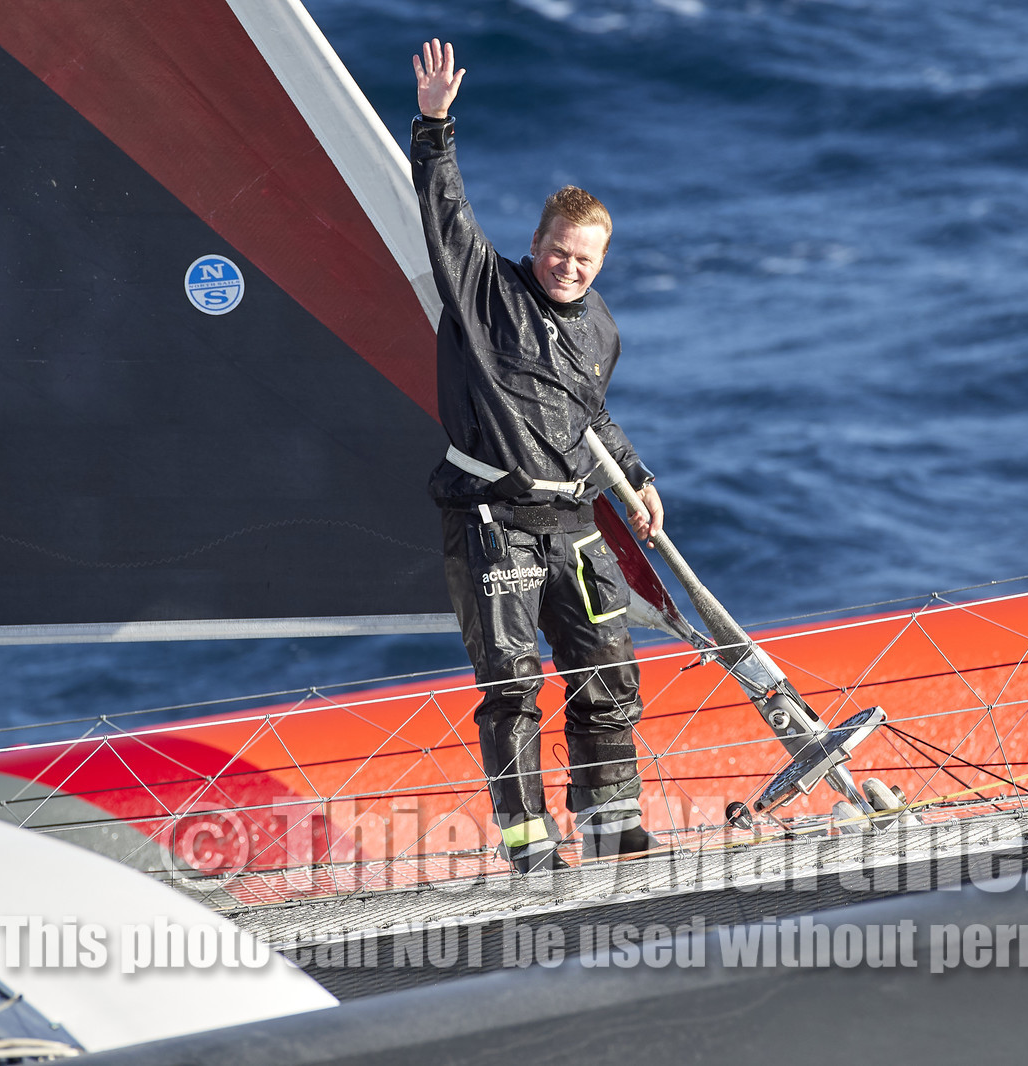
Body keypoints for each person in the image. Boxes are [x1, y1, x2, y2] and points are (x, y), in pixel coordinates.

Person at [411, 39, 663, 874]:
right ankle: (530, 846)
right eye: (560, 250)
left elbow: (590, 416)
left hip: (576, 524)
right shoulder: (487, 291)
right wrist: (435, 126)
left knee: (609, 678)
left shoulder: (602, 328)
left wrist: (637, 479)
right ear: (538, 241)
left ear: (602, 262)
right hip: (496, 525)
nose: (569, 266)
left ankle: (611, 822)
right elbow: (446, 215)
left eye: (586, 258)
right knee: (514, 685)